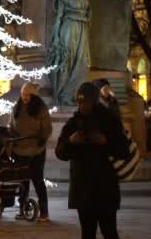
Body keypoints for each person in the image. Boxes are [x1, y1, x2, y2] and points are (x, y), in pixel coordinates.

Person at [55, 82, 130, 239]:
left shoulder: (109, 120)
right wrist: (71, 141)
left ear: (94, 101)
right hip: (83, 189)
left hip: (105, 187)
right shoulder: (74, 123)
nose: (82, 105)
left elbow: (124, 150)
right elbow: (60, 152)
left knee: (109, 231)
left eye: (86, 102)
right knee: (87, 233)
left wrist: (105, 142)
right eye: (79, 102)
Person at [8, 82, 52, 222]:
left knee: (38, 180)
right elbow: (11, 125)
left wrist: (42, 139)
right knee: (22, 182)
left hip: (35, 151)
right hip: (19, 150)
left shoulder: (41, 109)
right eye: (23, 95)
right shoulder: (17, 107)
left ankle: (44, 212)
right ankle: (23, 209)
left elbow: (47, 128)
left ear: (34, 96)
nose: (25, 97)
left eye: (28, 95)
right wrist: (12, 136)